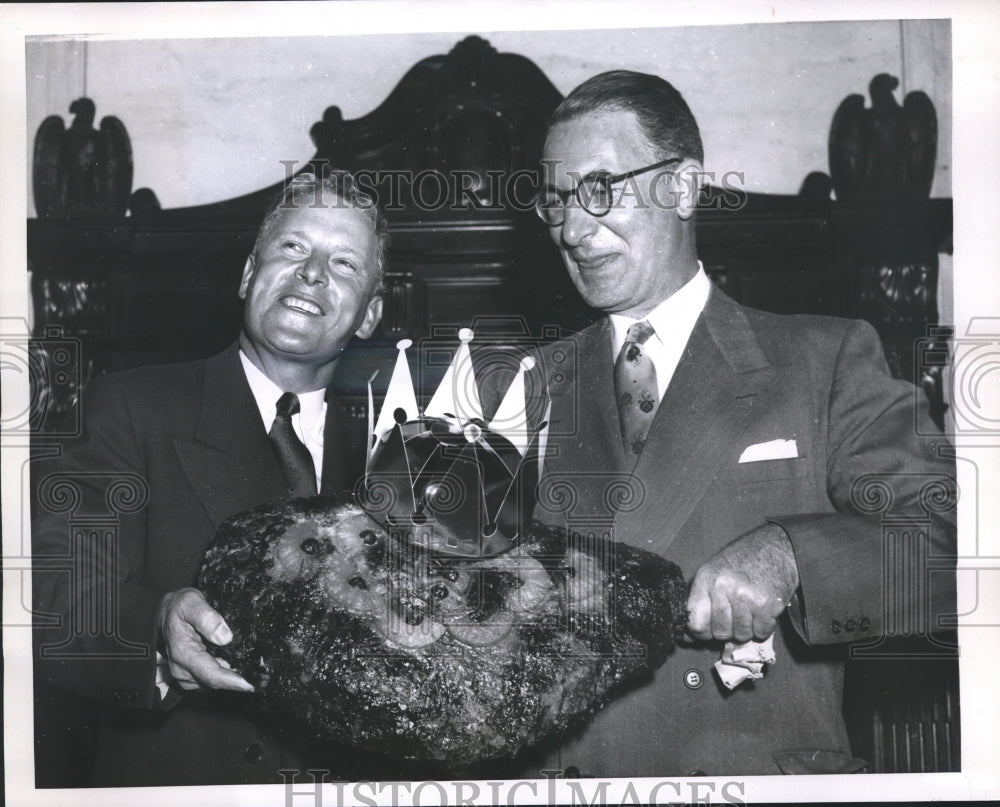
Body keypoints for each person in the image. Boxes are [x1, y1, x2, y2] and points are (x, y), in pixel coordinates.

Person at [528, 71, 957, 777]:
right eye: (556, 202)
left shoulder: (824, 357)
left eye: (601, 189)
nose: (573, 229)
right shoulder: (522, 386)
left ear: (685, 186)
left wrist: (790, 553)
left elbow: (952, 542)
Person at [31, 171, 411, 786]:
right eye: (293, 247)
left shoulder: (396, 457)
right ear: (245, 276)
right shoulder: (128, 407)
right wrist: (156, 627)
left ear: (369, 316)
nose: (312, 272)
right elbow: (53, 600)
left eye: (343, 262)